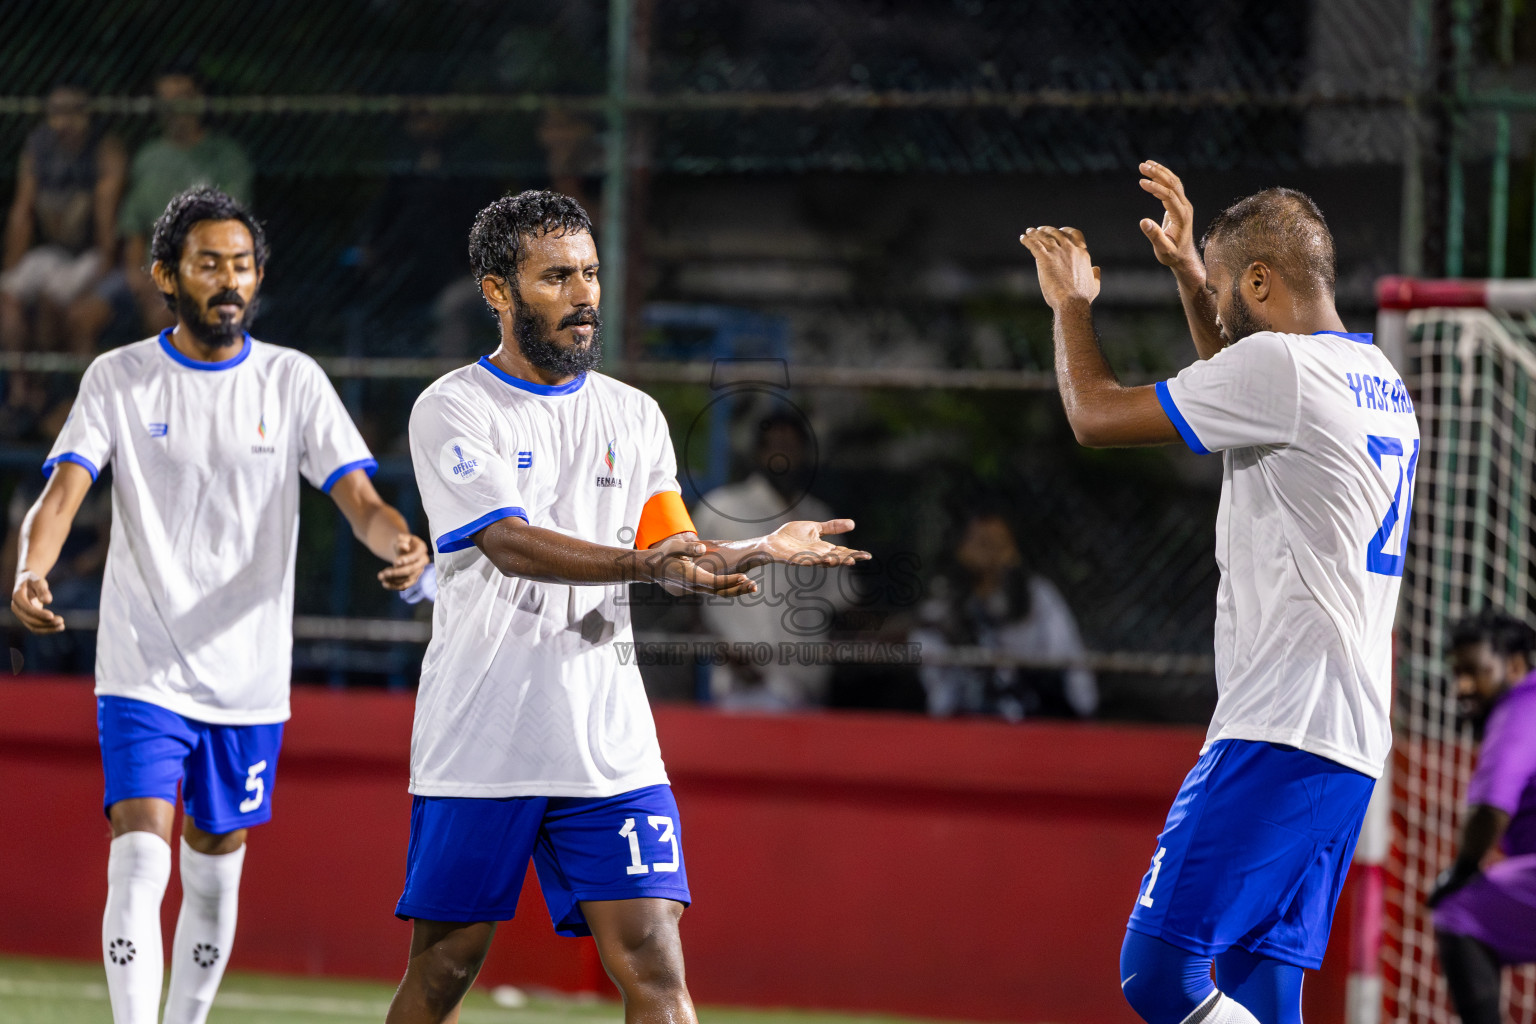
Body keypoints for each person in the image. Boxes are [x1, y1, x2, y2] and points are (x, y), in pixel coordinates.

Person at [391, 190, 868, 1024]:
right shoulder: (454, 407)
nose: (583, 295)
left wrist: (749, 550)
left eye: (590, 274)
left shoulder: (635, 414)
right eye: (556, 278)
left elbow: (673, 555)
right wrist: (645, 563)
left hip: (608, 745)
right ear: (498, 291)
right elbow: (509, 542)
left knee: (656, 968)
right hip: (483, 738)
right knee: (443, 974)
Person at [9, 186, 428, 1024]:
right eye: (208, 264)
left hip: (246, 677)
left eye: (241, 265)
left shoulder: (291, 381)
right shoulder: (120, 378)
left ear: (259, 276)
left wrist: (403, 547)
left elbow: (360, 500)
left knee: (214, 861)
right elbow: (62, 493)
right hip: (141, 662)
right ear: (167, 275)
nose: (228, 280)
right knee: (138, 851)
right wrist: (29, 570)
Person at [1020, 160, 1417, 1024]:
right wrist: (1197, 279)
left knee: (1160, 971)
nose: (1227, 316)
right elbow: (1245, 380)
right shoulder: (1375, 378)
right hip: (1346, 740)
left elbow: (1094, 415)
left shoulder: (1280, 371)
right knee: (1259, 987)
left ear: (1265, 282)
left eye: (1236, 292)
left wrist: (1071, 306)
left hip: (1279, 728)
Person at [75, 69, 253, 343]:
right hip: (148, 274)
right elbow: (133, 226)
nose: (173, 108)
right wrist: (139, 275)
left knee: (163, 318)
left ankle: (173, 386)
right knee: (81, 316)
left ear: (200, 100)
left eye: (181, 98)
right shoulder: (148, 157)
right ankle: (87, 386)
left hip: (204, 273)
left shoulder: (226, 157)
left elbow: (226, 230)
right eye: (165, 100)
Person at [691, 411, 846, 710]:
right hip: (743, 685)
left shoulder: (822, 521)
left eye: (792, 446)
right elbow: (686, 593)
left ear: (806, 454)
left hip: (807, 684)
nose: (783, 455)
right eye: (775, 446)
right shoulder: (720, 510)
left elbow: (837, 604)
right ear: (758, 453)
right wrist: (724, 651)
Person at [1427, 610, 1536, 1024]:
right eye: (1457, 674)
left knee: (1459, 908)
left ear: (1513, 665)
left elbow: (1491, 809)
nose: (1463, 687)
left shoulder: (1519, 709)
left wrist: (1461, 870)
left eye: (1475, 671)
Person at [911, 510, 1096, 721]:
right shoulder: (941, 606)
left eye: (1000, 544)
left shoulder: (1038, 595)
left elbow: (1066, 653)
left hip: (1034, 713)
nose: (993, 553)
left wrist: (1084, 712)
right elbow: (938, 683)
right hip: (969, 716)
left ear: (1014, 551)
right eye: (983, 543)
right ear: (961, 549)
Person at [1, 82, 126, 357]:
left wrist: (103, 268)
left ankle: (59, 388)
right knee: (7, 298)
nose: (63, 122)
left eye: (71, 113)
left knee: (52, 299)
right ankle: (20, 386)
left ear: (87, 114)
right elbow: (23, 210)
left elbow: (107, 215)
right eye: (56, 113)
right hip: (52, 252)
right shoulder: (38, 146)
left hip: (88, 254)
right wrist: (12, 267)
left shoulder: (104, 149)